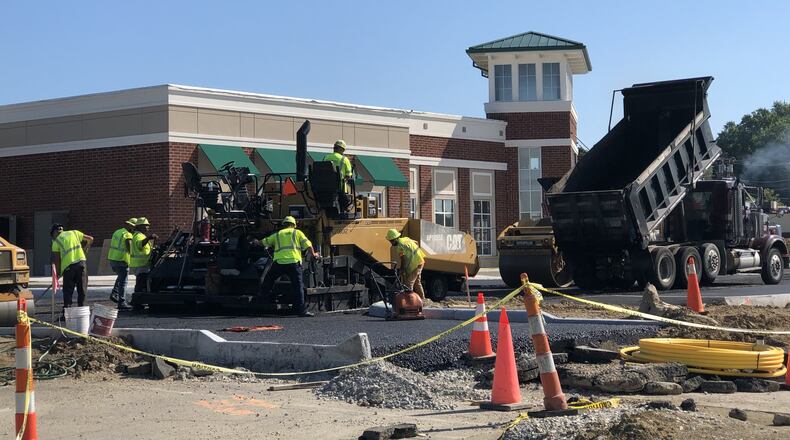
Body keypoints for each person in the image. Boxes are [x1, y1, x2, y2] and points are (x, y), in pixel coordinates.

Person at [259, 216, 320, 317]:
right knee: (298, 287)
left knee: (267, 283)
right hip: (293, 263)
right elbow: (308, 245)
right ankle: (302, 311)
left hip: (279, 263)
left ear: (284, 224)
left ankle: (261, 304)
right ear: (294, 224)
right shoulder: (297, 233)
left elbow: (264, 242)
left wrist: (255, 242)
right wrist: (314, 254)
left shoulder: (278, 234)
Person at [50, 224, 94, 311]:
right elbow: (90, 239)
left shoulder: (56, 242)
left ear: (55, 233)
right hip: (81, 264)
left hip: (68, 267)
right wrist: (86, 248)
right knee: (82, 289)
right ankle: (82, 312)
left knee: (68, 291)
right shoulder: (74, 232)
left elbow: (57, 260)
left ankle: (67, 312)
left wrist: (58, 273)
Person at [386, 228, 426, 300]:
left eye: (391, 241)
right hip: (420, 261)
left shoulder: (400, 247)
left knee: (408, 284)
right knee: (417, 283)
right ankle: (422, 300)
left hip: (416, 265)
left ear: (394, 239)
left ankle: (410, 301)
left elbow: (403, 260)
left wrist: (402, 270)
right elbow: (416, 242)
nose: (391, 243)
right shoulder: (406, 239)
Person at [108, 218, 136, 310]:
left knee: (120, 277)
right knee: (124, 282)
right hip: (122, 260)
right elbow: (129, 249)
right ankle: (122, 302)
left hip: (113, 259)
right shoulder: (128, 235)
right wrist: (133, 255)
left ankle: (115, 293)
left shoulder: (117, 232)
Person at [323, 139, 354, 210]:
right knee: (346, 203)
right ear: (341, 149)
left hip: (325, 188)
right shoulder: (345, 160)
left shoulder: (326, 157)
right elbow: (348, 175)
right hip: (340, 189)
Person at [129, 217, 158, 292]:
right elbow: (140, 244)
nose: (147, 227)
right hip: (141, 264)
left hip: (143, 264)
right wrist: (149, 238)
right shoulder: (139, 236)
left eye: (148, 226)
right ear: (139, 226)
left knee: (142, 282)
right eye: (145, 225)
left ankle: (139, 297)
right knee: (140, 283)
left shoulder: (141, 235)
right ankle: (137, 299)